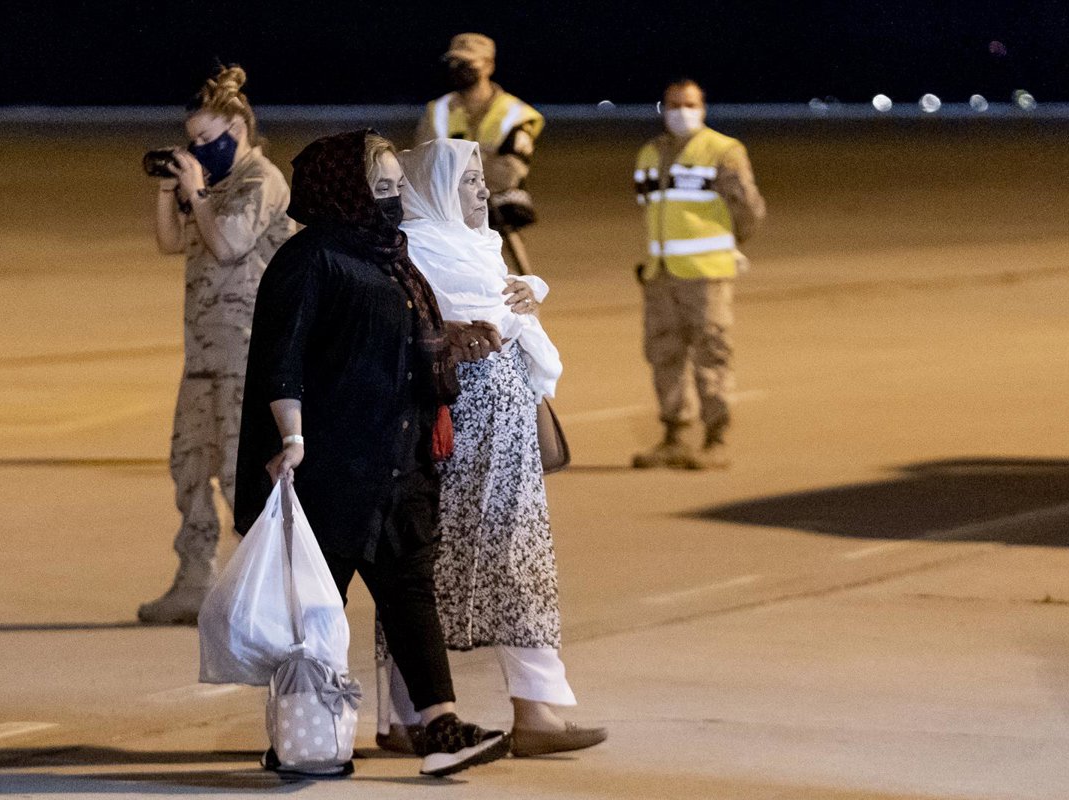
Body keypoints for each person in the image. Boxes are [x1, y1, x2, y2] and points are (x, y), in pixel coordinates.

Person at [233, 129, 512, 778]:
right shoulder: (310, 259)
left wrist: (448, 337)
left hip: (399, 460)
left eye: (396, 187)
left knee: (409, 590)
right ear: (344, 190)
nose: (392, 200)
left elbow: (396, 333)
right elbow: (282, 359)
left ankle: (440, 728)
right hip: (334, 465)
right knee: (318, 606)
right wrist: (292, 438)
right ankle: (302, 738)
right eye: (379, 187)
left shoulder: (391, 253)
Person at [374, 137, 607, 759]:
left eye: (481, 178)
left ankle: (536, 711)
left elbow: (509, 314)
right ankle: (406, 717)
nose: (482, 190)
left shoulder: (480, 245)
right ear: (435, 188)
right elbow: (400, 331)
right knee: (421, 567)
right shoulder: (408, 250)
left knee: (517, 559)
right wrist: (451, 330)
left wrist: (526, 297)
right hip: (443, 436)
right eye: (468, 180)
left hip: (505, 437)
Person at [139, 65, 294, 624]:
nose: (199, 149)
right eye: (192, 141)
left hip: (248, 353)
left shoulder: (260, 180)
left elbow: (229, 244)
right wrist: (170, 190)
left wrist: (198, 193)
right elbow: (169, 242)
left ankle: (272, 590)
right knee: (188, 465)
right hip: (205, 353)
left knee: (238, 473)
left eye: (207, 138)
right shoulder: (212, 183)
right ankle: (193, 580)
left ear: (237, 127)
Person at [632, 78, 766, 470]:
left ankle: (716, 438)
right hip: (660, 273)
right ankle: (674, 436)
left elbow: (748, 209)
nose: (681, 112)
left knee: (712, 352)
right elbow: (650, 206)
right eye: (673, 105)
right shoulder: (650, 153)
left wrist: (726, 244)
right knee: (663, 353)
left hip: (705, 274)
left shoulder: (723, 151)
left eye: (689, 104)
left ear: (703, 108)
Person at [417, 32, 544, 273]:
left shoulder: (516, 113)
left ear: (488, 65)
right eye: (453, 62)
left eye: (466, 63)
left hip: (496, 218)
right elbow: (422, 163)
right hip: (448, 218)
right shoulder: (438, 110)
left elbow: (508, 173)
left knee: (512, 284)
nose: (457, 69)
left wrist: (453, 173)